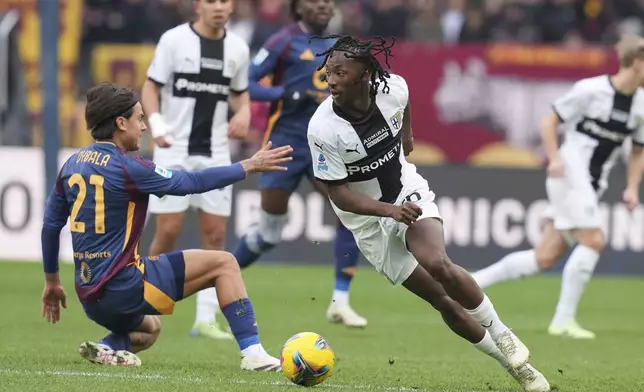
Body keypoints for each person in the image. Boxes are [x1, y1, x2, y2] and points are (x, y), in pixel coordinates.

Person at [306, 34, 551, 392]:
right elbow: (339, 194)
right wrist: (388, 212)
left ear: (363, 74)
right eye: (328, 73)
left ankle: (503, 334)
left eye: (340, 72)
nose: (331, 80)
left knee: (438, 263)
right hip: (369, 223)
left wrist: (406, 136)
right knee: (443, 301)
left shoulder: (393, 88)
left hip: (407, 192)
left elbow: (404, 106)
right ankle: (514, 367)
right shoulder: (323, 128)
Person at [40, 83, 291, 371]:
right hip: (123, 287)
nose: (144, 127)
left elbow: (50, 225)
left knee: (150, 330)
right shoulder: (128, 167)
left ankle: (109, 347)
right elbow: (191, 183)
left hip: (90, 296)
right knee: (224, 263)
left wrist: (51, 282)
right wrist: (249, 165)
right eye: (139, 118)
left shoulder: (71, 164)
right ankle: (254, 353)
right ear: (121, 123)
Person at [472, 35, 644, 340]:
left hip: (592, 183)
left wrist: (632, 187)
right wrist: (553, 158)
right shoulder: (591, 90)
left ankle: (470, 283)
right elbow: (549, 121)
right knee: (593, 240)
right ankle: (563, 321)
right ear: (637, 63)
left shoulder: (641, 105)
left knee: (545, 257)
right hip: (568, 172)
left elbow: (638, 150)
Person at [231, 0, 367, 328]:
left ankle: (340, 301)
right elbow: (244, 83)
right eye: (314, 1)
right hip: (285, 144)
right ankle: (215, 281)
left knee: (350, 215)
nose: (323, 5)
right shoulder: (283, 40)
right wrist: (284, 94)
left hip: (326, 146)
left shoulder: (341, 46)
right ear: (298, 8)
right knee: (268, 233)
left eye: (327, 2)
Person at [141, 0, 252, 340]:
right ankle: (142, 306)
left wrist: (244, 113)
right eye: (211, 1)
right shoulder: (173, 40)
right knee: (169, 230)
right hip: (173, 148)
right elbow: (150, 88)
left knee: (215, 235)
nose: (219, 7)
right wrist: (157, 125)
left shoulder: (237, 48)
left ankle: (205, 319)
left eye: (225, 1)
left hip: (216, 151)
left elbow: (240, 94)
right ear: (198, 6)